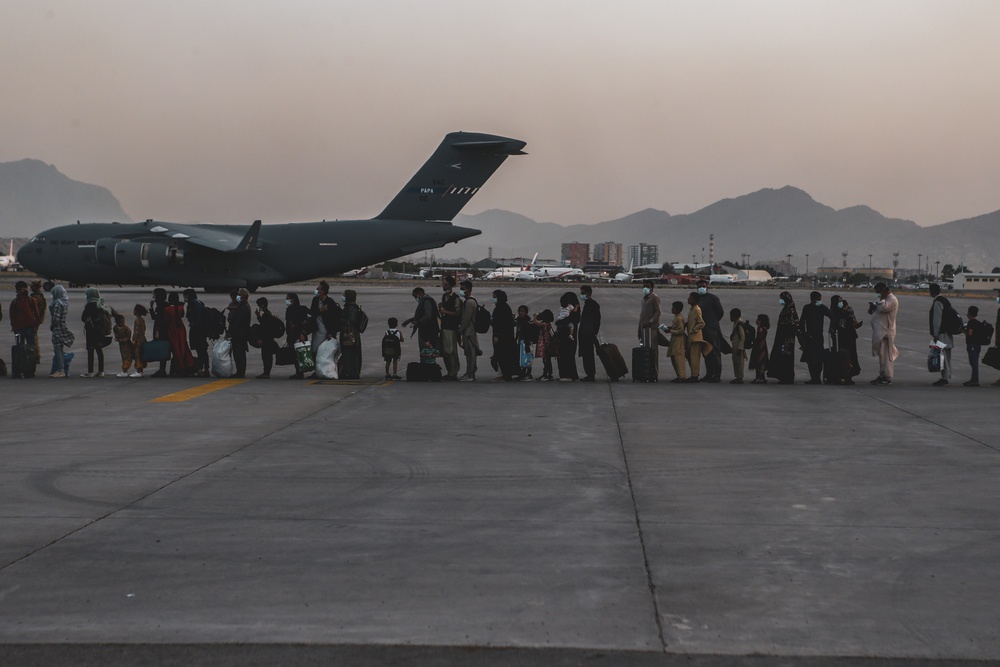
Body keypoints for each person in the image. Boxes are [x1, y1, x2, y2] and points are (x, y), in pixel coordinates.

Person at [869, 282, 899, 386]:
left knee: (887, 356)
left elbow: (884, 308)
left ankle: (887, 377)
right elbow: (876, 309)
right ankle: (882, 375)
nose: (877, 294)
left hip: (887, 331)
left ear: (883, 291)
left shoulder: (892, 299)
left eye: (878, 292)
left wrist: (881, 299)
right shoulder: (882, 299)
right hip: (881, 332)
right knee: (881, 355)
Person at [798, 291, 831, 384]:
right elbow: (802, 321)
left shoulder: (821, 308)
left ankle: (816, 377)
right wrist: (804, 333)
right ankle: (814, 377)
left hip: (818, 337)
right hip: (809, 337)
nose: (820, 301)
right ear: (812, 299)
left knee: (819, 358)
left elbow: (832, 315)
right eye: (818, 300)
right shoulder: (807, 308)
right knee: (810, 359)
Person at [695, 279, 725, 382]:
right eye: (699, 287)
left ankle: (717, 375)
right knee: (706, 352)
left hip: (712, 329)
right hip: (702, 330)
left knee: (715, 352)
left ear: (707, 287)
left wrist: (713, 322)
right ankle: (709, 374)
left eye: (703, 286)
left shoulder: (712, 298)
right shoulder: (698, 299)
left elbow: (720, 312)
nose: (701, 288)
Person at [767, 291, 798, 384]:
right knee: (783, 356)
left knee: (786, 356)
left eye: (782, 299)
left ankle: (787, 376)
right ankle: (783, 376)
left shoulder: (790, 310)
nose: (780, 301)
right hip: (783, 338)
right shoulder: (787, 308)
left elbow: (792, 324)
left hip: (786, 339)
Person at [80, 287, 112, 378]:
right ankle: (101, 371)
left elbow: (83, 318)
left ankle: (90, 372)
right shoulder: (100, 304)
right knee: (99, 349)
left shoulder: (90, 305)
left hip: (91, 330)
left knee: (90, 350)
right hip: (100, 330)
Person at [829, 295, 862, 384]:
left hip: (849, 337)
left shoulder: (847, 310)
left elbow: (854, 322)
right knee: (840, 357)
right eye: (839, 301)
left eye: (841, 301)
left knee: (850, 356)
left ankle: (849, 376)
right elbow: (833, 324)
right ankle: (839, 376)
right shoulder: (833, 311)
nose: (841, 302)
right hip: (839, 337)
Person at [928, 283, 954, 387]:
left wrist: (935, 334)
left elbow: (937, 320)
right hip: (947, 332)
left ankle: (944, 378)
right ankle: (946, 376)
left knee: (943, 356)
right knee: (947, 356)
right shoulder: (945, 300)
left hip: (942, 334)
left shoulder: (937, 302)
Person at [164, 291, 196, 376]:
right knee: (183, 347)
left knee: (176, 349)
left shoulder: (167, 309)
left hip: (172, 330)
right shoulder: (180, 308)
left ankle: (179, 367)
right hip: (180, 329)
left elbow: (166, 321)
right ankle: (189, 365)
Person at [438, 274, 462, 381]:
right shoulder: (444, 297)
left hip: (451, 327)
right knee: (445, 351)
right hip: (444, 326)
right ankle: (449, 371)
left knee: (451, 351)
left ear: (450, 286)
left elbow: (458, 313)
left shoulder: (456, 298)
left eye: (446, 284)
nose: (444, 286)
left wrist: (445, 311)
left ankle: (453, 372)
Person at [309, 281, 342, 359]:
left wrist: (331, 332)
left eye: (318, 289)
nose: (317, 290)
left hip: (327, 331)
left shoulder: (330, 302)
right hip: (317, 330)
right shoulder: (315, 300)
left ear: (323, 291)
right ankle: (316, 369)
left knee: (325, 352)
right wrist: (319, 310)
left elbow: (334, 319)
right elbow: (311, 313)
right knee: (315, 350)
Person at [9, 281, 42, 361]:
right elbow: (12, 317)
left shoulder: (32, 300)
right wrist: (14, 328)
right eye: (23, 289)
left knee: (31, 349)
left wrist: (35, 327)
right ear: (18, 291)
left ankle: (31, 367)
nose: (25, 291)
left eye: (25, 289)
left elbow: (37, 315)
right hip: (19, 329)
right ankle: (21, 365)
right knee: (20, 349)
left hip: (30, 328)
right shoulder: (14, 302)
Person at [491, 289, 518, 381]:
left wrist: (497, 335)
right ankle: (505, 373)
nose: (493, 299)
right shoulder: (503, 307)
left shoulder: (502, 308)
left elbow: (501, 324)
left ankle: (504, 374)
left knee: (502, 355)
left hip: (503, 337)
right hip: (505, 336)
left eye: (495, 297)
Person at [48, 284, 75, 378]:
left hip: (57, 329)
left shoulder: (58, 304)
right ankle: (62, 368)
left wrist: (52, 326)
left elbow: (56, 318)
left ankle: (60, 370)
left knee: (57, 349)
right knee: (60, 348)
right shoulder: (64, 303)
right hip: (62, 327)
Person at [685, 292, 711, 383]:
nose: (688, 299)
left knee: (694, 357)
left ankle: (695, 375)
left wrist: (693, 330)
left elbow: (701, 323)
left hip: (695, 338)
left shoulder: (697, 310)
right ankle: (693, 374)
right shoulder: (691, 310)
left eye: (690, 298)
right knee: (691, 357)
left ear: (695, 300)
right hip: (691, 337)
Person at [284, 292, 311, 379]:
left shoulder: (301, 310)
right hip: (292, 335)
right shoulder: (289, 310)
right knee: (295, 355)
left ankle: (301, 371)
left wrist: (302, 333)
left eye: (288, 298)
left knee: (300, 354)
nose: (287, 300)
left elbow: (305, 322)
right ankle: (298, 371)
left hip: (299, 335)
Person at [254, 297, 283, 379]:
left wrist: (258, 317)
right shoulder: (268, 313)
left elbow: (264, 326)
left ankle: (266, 373)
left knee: (266, 356)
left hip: (266, 339)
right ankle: (266, 372)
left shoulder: (266, 315)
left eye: (259, 305)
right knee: (267, 356)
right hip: (269, 338)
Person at [577, 285, 601, 382]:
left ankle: (590, 374)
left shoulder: (593, 304)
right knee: (586, 355)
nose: (581, 295)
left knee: (588, 355)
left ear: (588, 293)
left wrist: (593, 332)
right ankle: (589, 374)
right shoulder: (587, 304)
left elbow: (597, 320)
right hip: (585, 333)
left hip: (588, 334)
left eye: (583, 293)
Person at [184, 288, 210, 377]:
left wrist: (194, 323)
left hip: (197, 329)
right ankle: (206, 368)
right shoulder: (199, 302)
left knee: (200, 350)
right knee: (203, 349)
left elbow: (191, 317)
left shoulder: (191, 303)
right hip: (202, 328)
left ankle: (200, 369)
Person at [555, 292, 580, 381]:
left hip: (566, 337)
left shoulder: (568, 314)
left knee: (565, 355)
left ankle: (567, 374)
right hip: (570, 336)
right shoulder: (573, 311)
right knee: (569, 356)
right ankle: (571, 374)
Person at [458, 280, 480, 381]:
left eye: (462, 289)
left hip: (469, 332)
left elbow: (466, 319)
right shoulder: (469, 301)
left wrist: (460, 330)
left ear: (468, 289)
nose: (461, 291)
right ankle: (470, 372)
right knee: (469, 353)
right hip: (469, 331)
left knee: (470, 354)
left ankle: (470, 374)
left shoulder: (470, 302)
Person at [339, 289, 364, 379]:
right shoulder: (351, 307)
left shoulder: (351, 308)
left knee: (350, 355)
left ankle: (351, 373)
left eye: (344, 295)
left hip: (350, 335)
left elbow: (351, 320)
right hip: (352, 334)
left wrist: (341, 319)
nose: (343, 297)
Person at [227, 288, 252, 378]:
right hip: (240, 333)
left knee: (239, 353)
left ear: (243, 297)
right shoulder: (242, 306)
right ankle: (240, 371)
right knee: (238, 353)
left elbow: (238, 322)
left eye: (239, 295)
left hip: (240, 334)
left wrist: (231, 332)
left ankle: (240, 372)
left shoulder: (244, 307)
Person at [638, 280, 661, 368]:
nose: (645, 288)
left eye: (647, 286)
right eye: (644, 286)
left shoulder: (654, 298)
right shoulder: (644, 299)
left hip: (651, 328)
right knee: (645, 351)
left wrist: (650, 321)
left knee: (653, 351)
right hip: (643, 328)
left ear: (652, 287)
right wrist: (639, 329)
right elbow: (642, 314)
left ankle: (654, 371)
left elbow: (657, 312)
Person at [664, 300, 687, 383]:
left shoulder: (679, 318)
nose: (671, 309)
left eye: (673, 308)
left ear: (677, 309)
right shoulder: (677, 317)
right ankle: (679, 375)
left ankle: (682, 376)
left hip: (678, 340)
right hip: (674, 339)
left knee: (678, 358)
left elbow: (681, 331)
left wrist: (671, 331)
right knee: (674, 358)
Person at [149, 288, 169, 377]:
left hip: (161, 330)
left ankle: (162, 370)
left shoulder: (160, 306)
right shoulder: (166, 305)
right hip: (166, 330)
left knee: (162, 349)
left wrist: (151, 308)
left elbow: (155, 318)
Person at [962, 306, 983, 387]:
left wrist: (963, 331)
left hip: (972, 345)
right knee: (975, 362)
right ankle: (974, 379)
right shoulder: (978, 322)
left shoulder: (971, 322)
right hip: (978, 345)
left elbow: (970, 333)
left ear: (969, 313)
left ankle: (975, 380)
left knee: (973, 363)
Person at [532, 309, 554, 382]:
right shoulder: (548, 324)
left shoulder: (545, 324)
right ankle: (546, 373)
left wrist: (535, 316)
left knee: (546, 360)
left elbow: (535, 322)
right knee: (546, 359)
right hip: (547, 343)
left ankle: (548, 374)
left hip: (545, 343)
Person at [515, 305, 535, 380]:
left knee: (528, 357)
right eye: (520, 311)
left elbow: (528, 333)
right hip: (520, 341)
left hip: (527, 342)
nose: (521, 313)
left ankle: (528, 373)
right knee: (521, 358)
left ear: (526, 312)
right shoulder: (518, 321)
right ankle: (522, 373)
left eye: (522, 311)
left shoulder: (527, 321)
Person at [112, 313, 135, 378]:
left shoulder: (126, 328)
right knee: (124, 357)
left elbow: (128, 336)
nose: (122, 323)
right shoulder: (115, 328)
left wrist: (122, 340)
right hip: (122, 346)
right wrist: (118, 338)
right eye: (121, 322)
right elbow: (116, 334)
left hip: (127, 345)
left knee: (127, 357)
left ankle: (125, 370)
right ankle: (125, 370)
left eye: (123, 321)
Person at [749, 313, 770, 384]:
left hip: (760, 348)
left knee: (760, 362)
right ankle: (758, 377)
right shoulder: (761, 328)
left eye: (758, 319)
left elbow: (760, 339)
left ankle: (761, 377)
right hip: (759, 348)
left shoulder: (762, 329)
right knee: (758, 363)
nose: (756, 321)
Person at [30, 280, 46, 364]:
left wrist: (37, 322)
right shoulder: (37, 296)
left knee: (34, 338)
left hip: (35, 320)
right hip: (35, 319)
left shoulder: (37, 297)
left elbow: (38, 311)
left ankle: (36, 356)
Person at [729, 308, 746, 384]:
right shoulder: (736, 322)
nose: (730, 318)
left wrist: (740, 348)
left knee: (739, 362)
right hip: (735, 345)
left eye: (731, 316)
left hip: (738, 347)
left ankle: (740, 378)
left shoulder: (739, 324)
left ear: (735, 316)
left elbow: (742, 337)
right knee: (736, 361)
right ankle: (738, 377)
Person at [131, 304, 148, 378]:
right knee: (141, 354)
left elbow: (136, 331)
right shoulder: (142, 320)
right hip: (143, 338)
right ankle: (141, 369)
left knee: (137, 354)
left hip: (138, 340)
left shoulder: (137, 320)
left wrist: (134, 340)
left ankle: (138, 370)